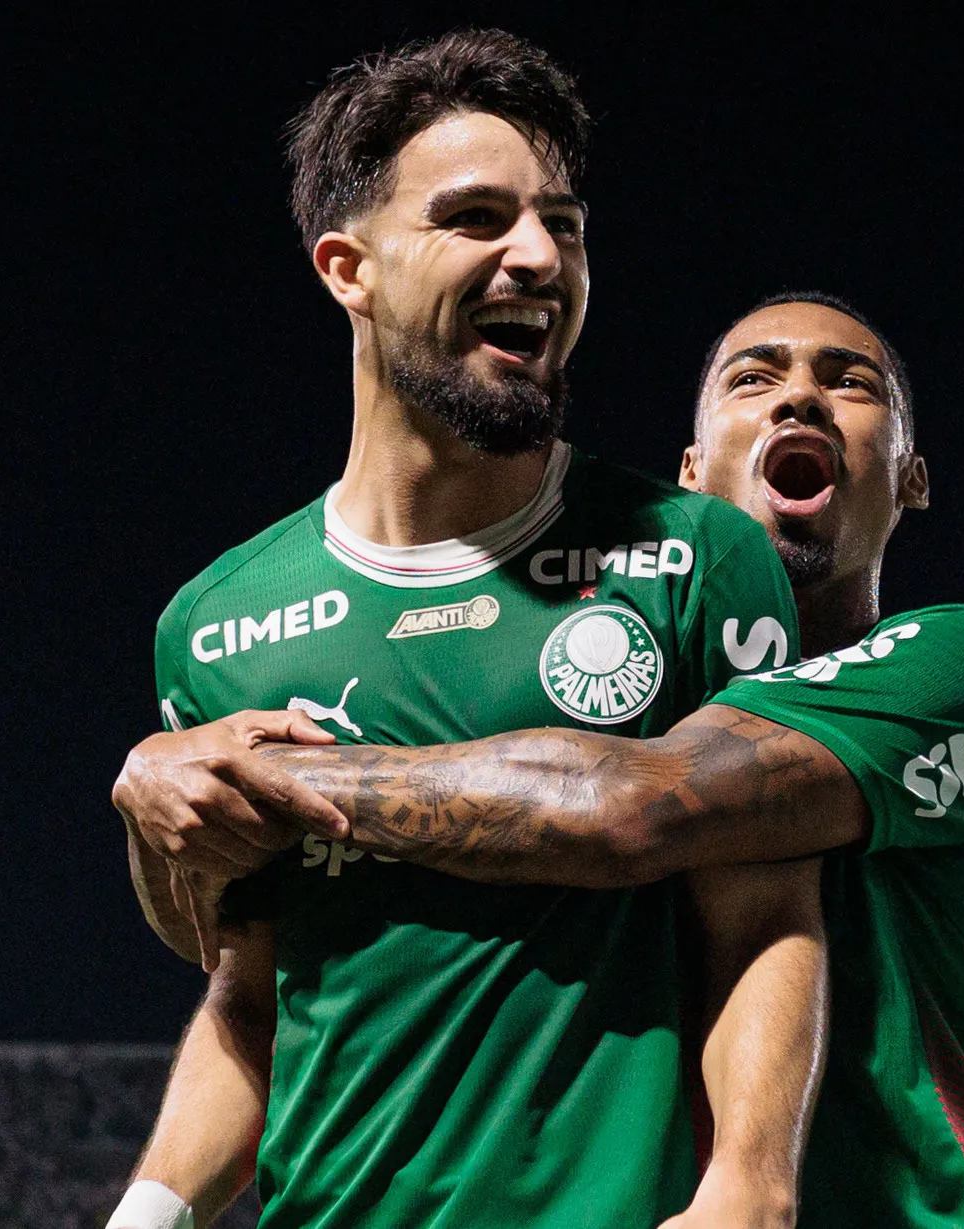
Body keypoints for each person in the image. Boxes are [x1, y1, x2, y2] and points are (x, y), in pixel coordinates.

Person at [123, 290, 964, 1228]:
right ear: (689, 472)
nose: (801, 399)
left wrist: (245, 773)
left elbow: (626, 806)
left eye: (852, 383)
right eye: (754, 378)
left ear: (914, 476)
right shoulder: (622, 673)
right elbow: (253, 968)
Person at [106, 30, 827, 1229]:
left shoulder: (693, 556)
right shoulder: (218, 622)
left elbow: (764, 912)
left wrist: (747, 1186)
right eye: (477, 218)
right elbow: (255, 994)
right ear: (349, 266)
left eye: (564, 223)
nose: (538, 257)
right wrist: (151, 1209)